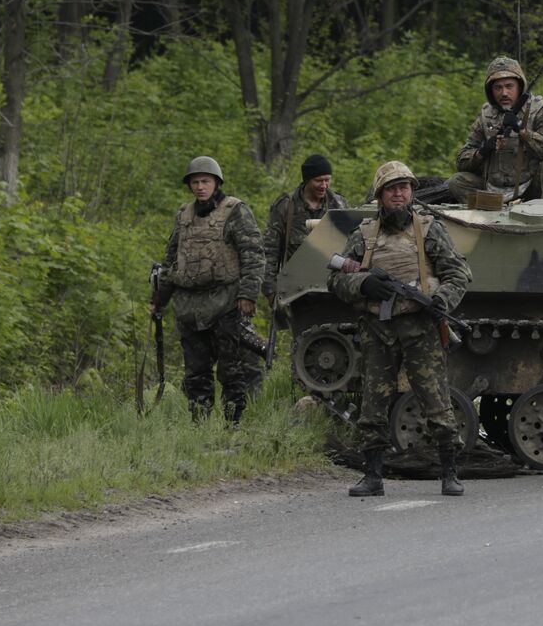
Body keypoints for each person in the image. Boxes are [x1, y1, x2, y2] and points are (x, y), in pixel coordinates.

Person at [329, 161, 472, 497]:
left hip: (420, 326)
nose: (399, 193)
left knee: (436, 400)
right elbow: (335, 278)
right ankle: (373, 474)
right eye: (392, 188)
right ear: (380, 195)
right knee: (373, 403)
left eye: (404, 187)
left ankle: (450, 472)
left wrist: (442, 300)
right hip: (378, 328)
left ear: (412, 193)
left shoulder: (429, 230)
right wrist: (363, 285)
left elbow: (458, 273)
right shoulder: (364, 234)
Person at [149, 156, 265, 423]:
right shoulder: (184, 215)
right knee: (196, 371)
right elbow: (171, 260)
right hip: (189, 305)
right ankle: (199, 424)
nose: (200, 187)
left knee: (231, 368)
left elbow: (253, 254)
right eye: (195, 182)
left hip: (225, 301)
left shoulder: (235, 210)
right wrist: (159, 300)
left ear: (216, 183)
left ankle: (233, 423)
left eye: (205, 181)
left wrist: (248, 294)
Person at [449, 56, 543, 203]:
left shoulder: (539, 110)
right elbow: (462, 161)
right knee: (457, 182)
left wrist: (522, 130)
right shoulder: (486, 115)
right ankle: (491, 216)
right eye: (498, 88)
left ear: (519, 86)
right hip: (494, 189)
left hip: (531, 187)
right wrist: (482, 151)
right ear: (491, 91)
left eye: (509, 86)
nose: (504, 93)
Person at [262, 153, 348, 302]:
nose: (324, 185)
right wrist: (270, 291)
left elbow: (350, 246)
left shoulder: (339, 205)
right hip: (296, 290)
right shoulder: (285, 206)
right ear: (307, 180)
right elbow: (270, 250)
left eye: (327, 180)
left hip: (332, 289)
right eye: (318, 180)